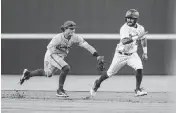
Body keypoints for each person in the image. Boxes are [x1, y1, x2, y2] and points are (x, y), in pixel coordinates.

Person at [19, 20, 104, 97]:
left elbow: (86, 45)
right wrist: (56, 59)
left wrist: (97, 55)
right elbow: (50, 48)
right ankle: (60, 90)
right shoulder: (58, 38)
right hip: (52, 54)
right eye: (71, 28)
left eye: (74, 29)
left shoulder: (75, 37)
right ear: (65, 29)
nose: (73, 30)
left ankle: (28, 74)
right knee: (66, 68)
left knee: (48, 74)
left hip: (58, 56)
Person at [90, 9, 148, 97]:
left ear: (136, 19)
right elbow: (124, 41)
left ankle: (138, 89)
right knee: (110, 73)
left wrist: (145, 52)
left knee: (139, 68)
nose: (129, 20)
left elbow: (143, 39)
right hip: (121, 54)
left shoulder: (140, 28)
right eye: (127, 18)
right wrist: (137, 37)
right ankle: (97, 84)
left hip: (132, 54)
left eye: (131, 18)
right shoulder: (124, 28)